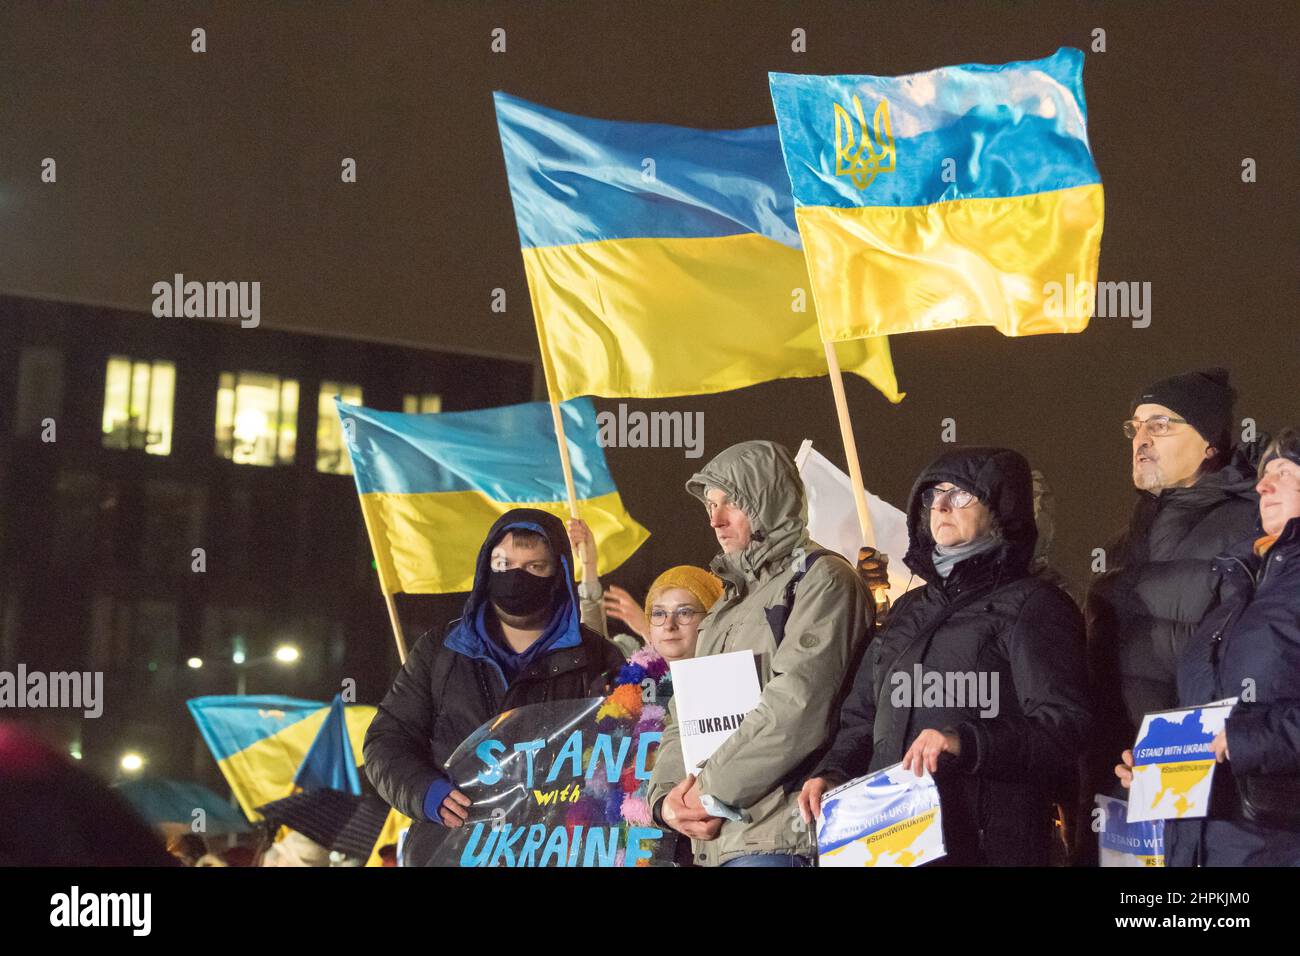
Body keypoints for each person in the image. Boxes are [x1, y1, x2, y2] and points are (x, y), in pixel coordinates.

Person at [799, 447, 1091, 866]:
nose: (940, 506)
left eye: (960, 495)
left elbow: (1063, 729)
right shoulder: (907, 610)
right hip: (892, 843)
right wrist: (834, 772)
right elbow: (862, 717)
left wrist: (965, 740)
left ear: (999, 508)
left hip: (985, 846)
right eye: (932, 496)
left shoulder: (1035, 605)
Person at [647, 440, 871, 867]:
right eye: (710, 506)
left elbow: (797, 705)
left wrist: (707, 790)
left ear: (767, 500)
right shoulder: (728, 605)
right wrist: (667, 801)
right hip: (718, 839)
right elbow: (686, 715)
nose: (715, 519)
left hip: (782, 833)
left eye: (730, 503)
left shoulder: (821, 579)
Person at [363, 508, 625, 867]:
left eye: (535, 567)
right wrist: (425, 792)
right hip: (451, 849)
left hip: (559, 851)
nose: (516, 576)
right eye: (504, 563)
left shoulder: (597, 657)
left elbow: (629, 749)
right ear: (487, 566)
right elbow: (387, 740)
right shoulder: (440, 651)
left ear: (558, 573)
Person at [1080, 369, 1260, 861]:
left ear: (1210, 444)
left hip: (1207, 796)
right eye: (1135, 427)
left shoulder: (1249, 527)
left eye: (1160, 425)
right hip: (1121, 784)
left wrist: (1176, 762)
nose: (1141, 440)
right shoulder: (1128, 537)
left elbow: (1254, 670)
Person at [1115, 428, 1300, 865]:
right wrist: (1158, 770)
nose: (1263, 485)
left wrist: (1248, 739)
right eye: (1263, 473)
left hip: (1275, 843)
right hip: (1198, 841)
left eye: (1285, 472)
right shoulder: (1237, 591)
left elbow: (1238, 732)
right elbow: (1206, 712)